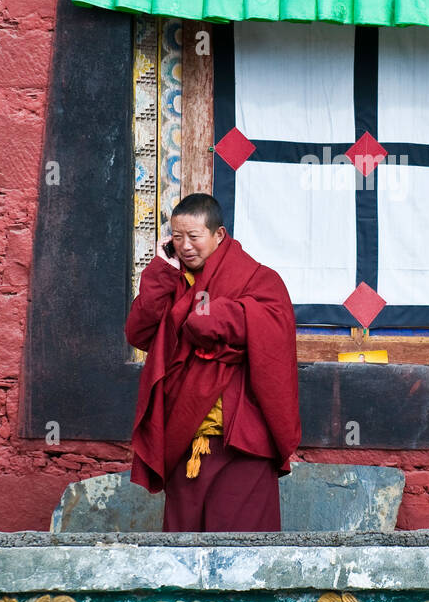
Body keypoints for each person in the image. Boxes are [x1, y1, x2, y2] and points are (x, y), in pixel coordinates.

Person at [124, 193, 301, 531]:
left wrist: (219, 314)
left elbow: (275, 331)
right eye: (177, 238)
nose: (186, 246)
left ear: (219, 235)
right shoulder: (173, 281)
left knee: (240, 553)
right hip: (184, 435)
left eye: (194, 236)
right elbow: (138, 331)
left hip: (240, 442)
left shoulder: (258, 279)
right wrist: (162, 269)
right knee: (183, 555)